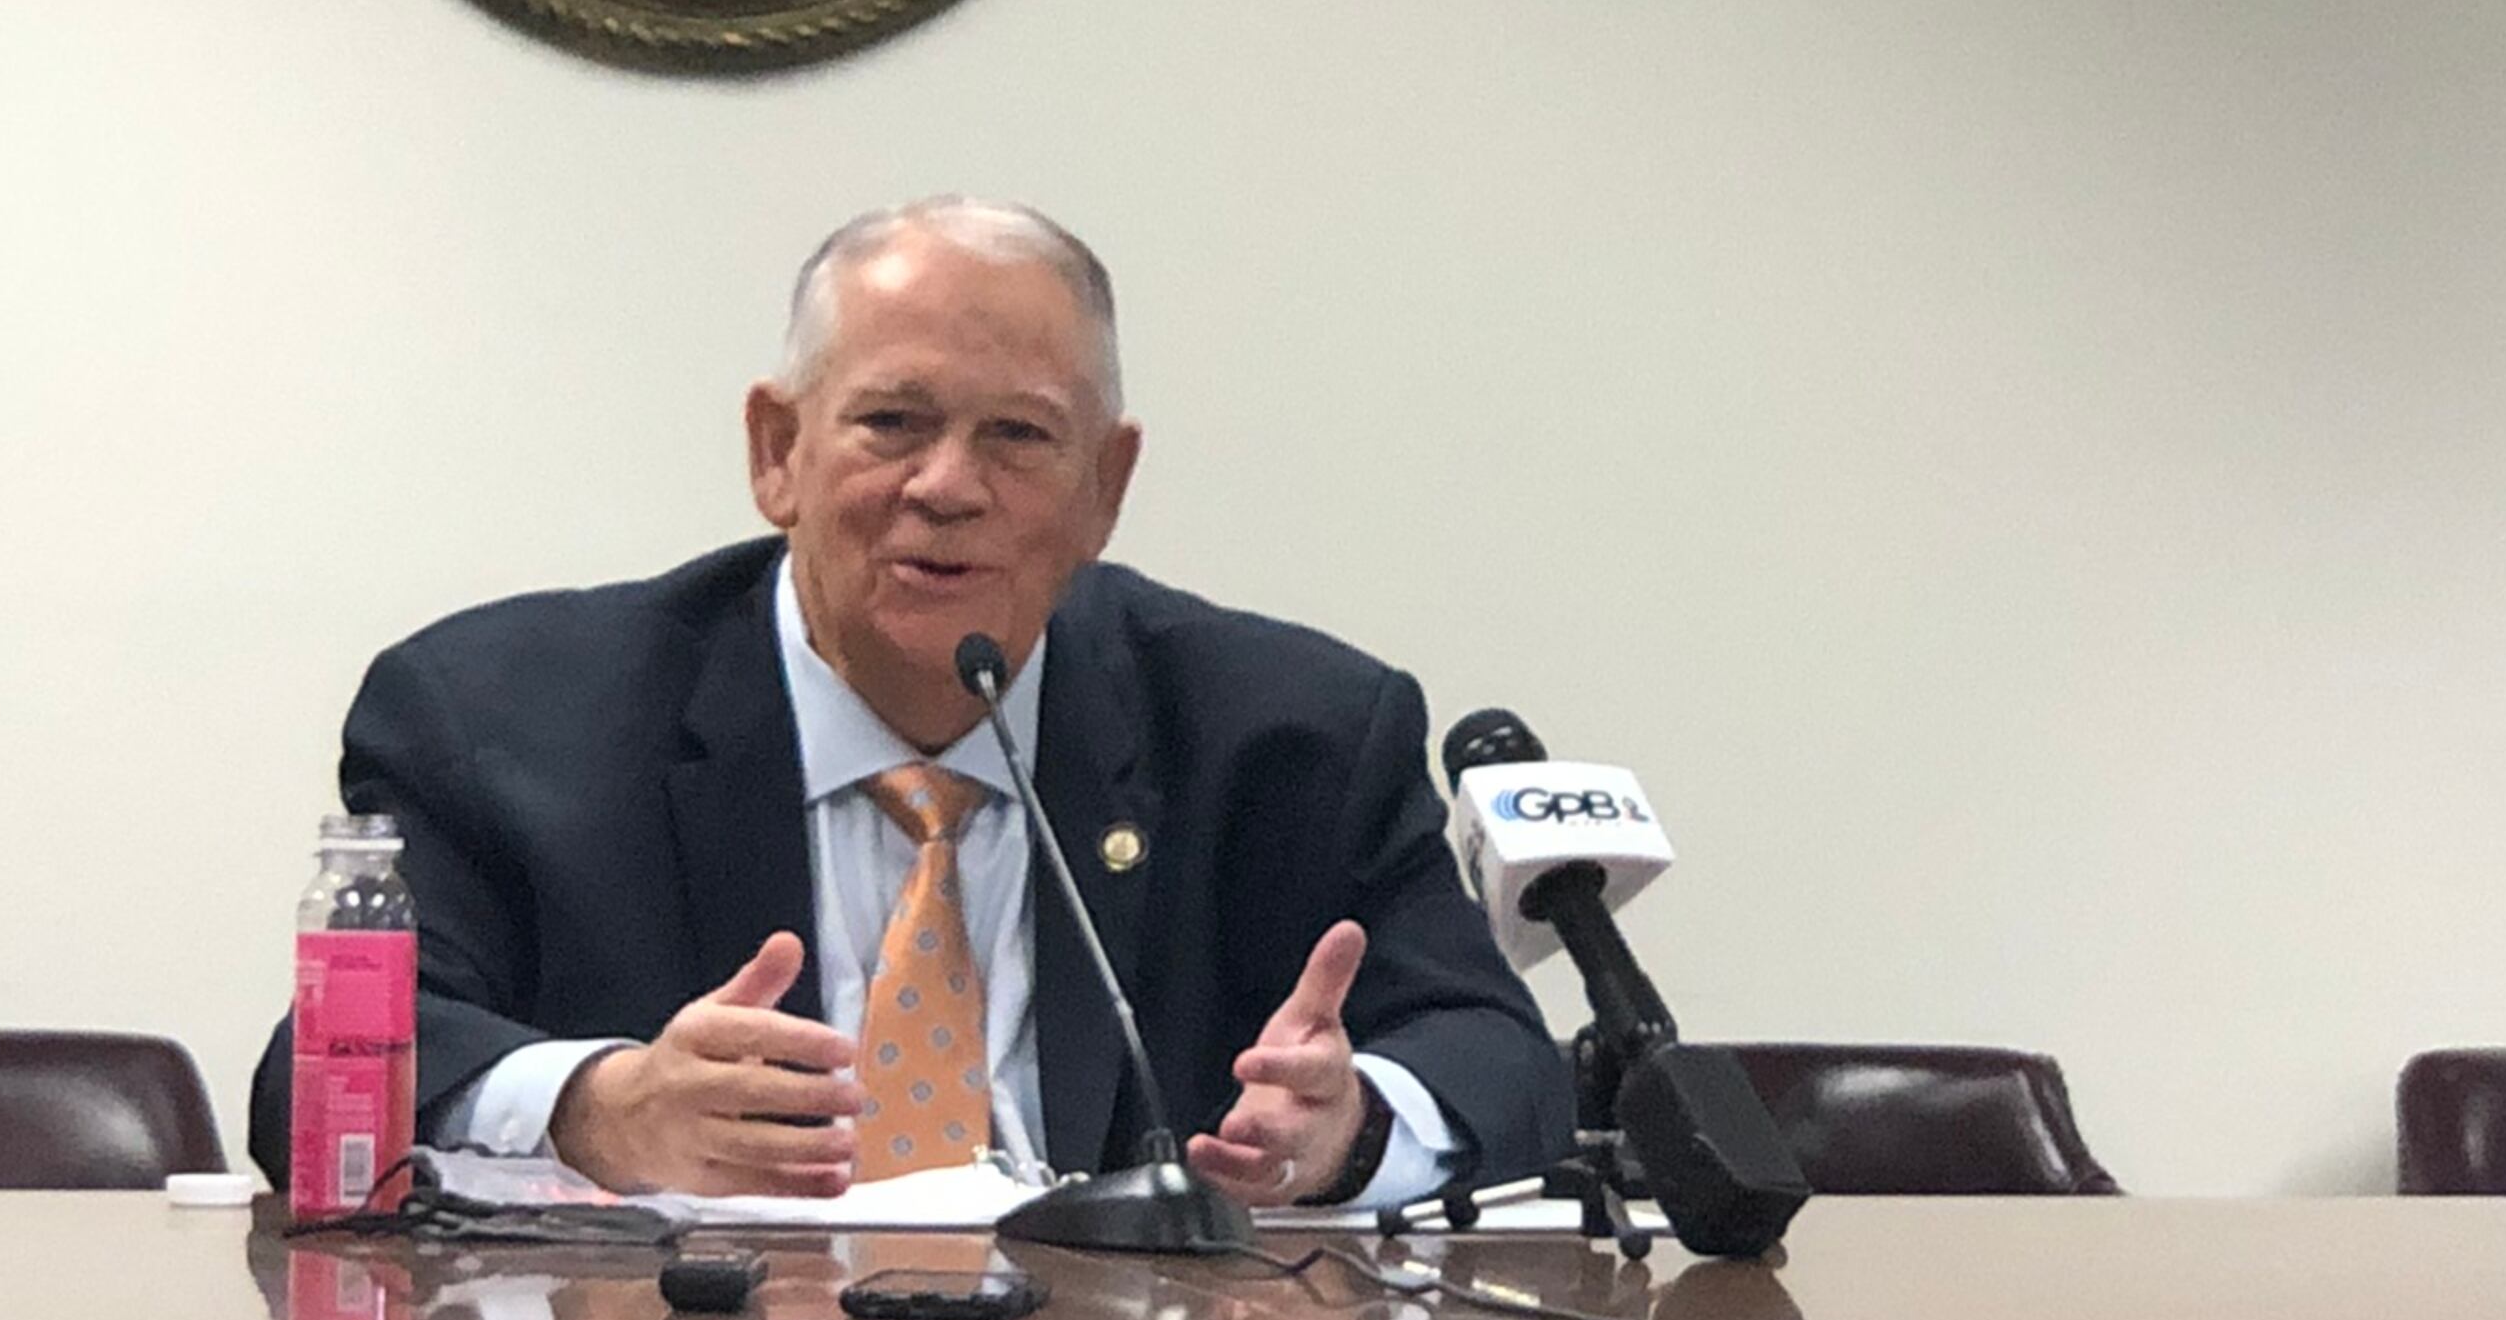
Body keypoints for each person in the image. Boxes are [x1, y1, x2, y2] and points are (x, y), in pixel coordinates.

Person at [246, 197, 1568, 1207]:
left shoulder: (1288, 736)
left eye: (1017, 437)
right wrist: (602, 1104)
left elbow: (1498, 1059)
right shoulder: (503, 718)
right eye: (892, 422)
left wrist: (1354, 1130)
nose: (947, 486)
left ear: (1105, 488)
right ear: (779, 452)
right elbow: (324, 1065)